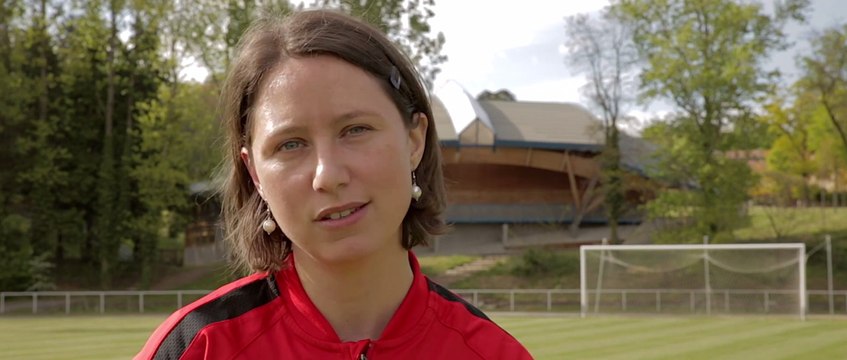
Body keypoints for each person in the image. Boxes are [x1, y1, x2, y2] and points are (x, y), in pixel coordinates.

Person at [136, 9, 532, 360]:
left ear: (414, 142)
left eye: (355, 129)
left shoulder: (493, 353)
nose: (328, 175)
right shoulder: (195, 348)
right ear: (255, 173)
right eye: (290, 144)